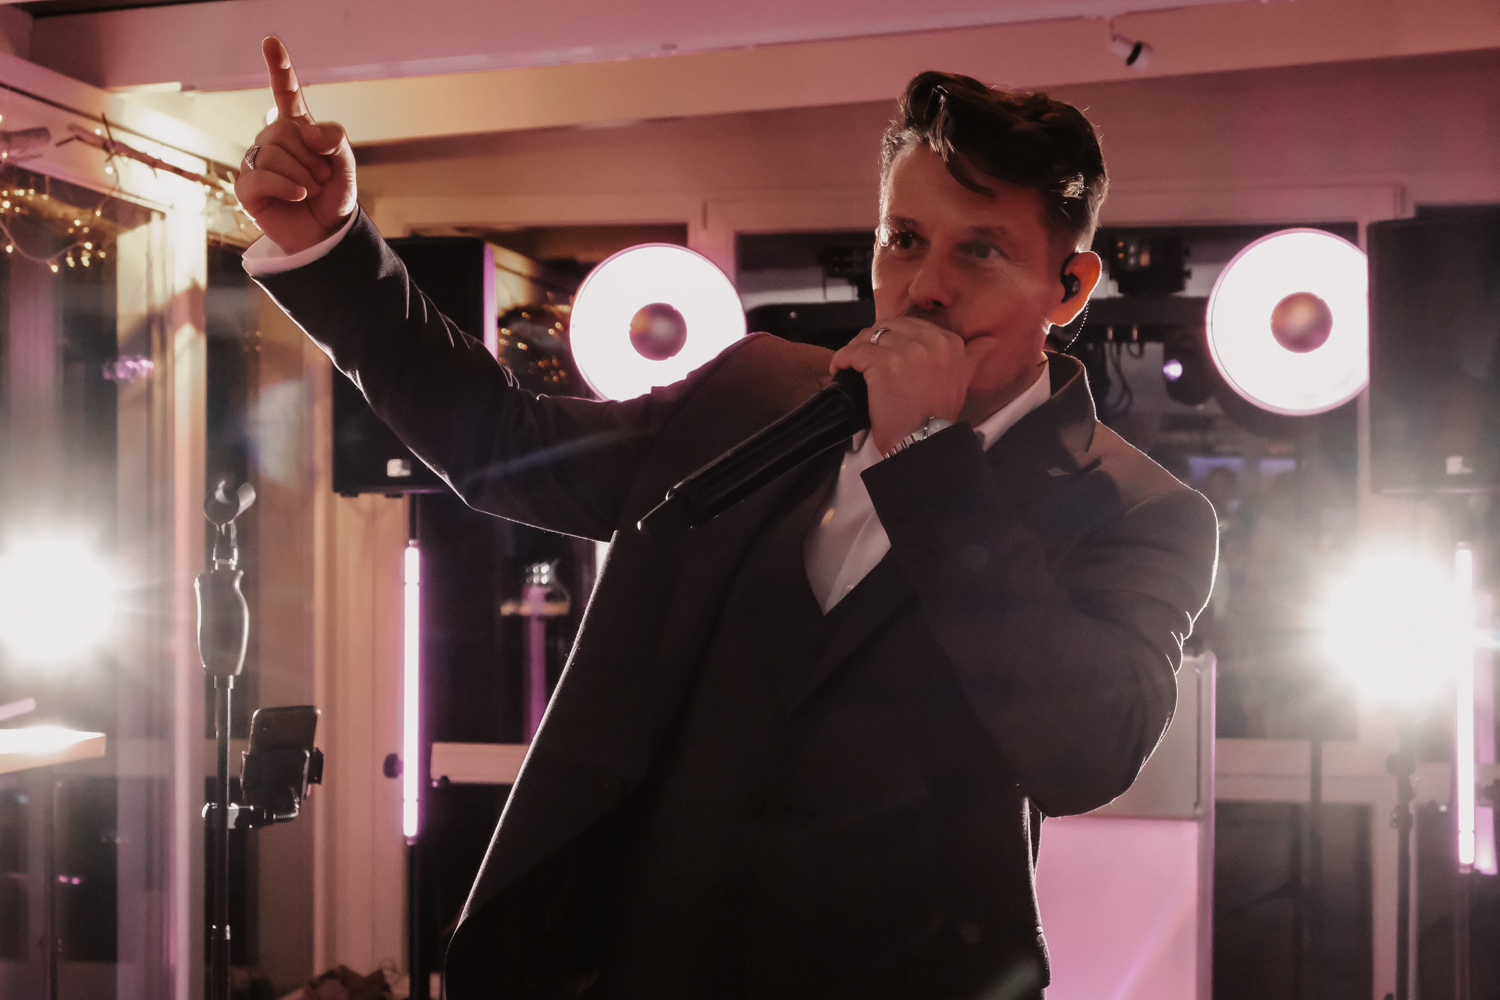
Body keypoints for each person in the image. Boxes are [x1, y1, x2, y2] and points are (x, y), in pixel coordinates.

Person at [237, 37, 1217, 1000]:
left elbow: (1084, 755)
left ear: (1068, 286)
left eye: (982, 250)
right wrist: (330, 248)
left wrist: (925, 455)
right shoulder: (758, 389)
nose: (926, 286)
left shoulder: (1139, 512)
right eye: (904, 239)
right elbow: (502, 444)